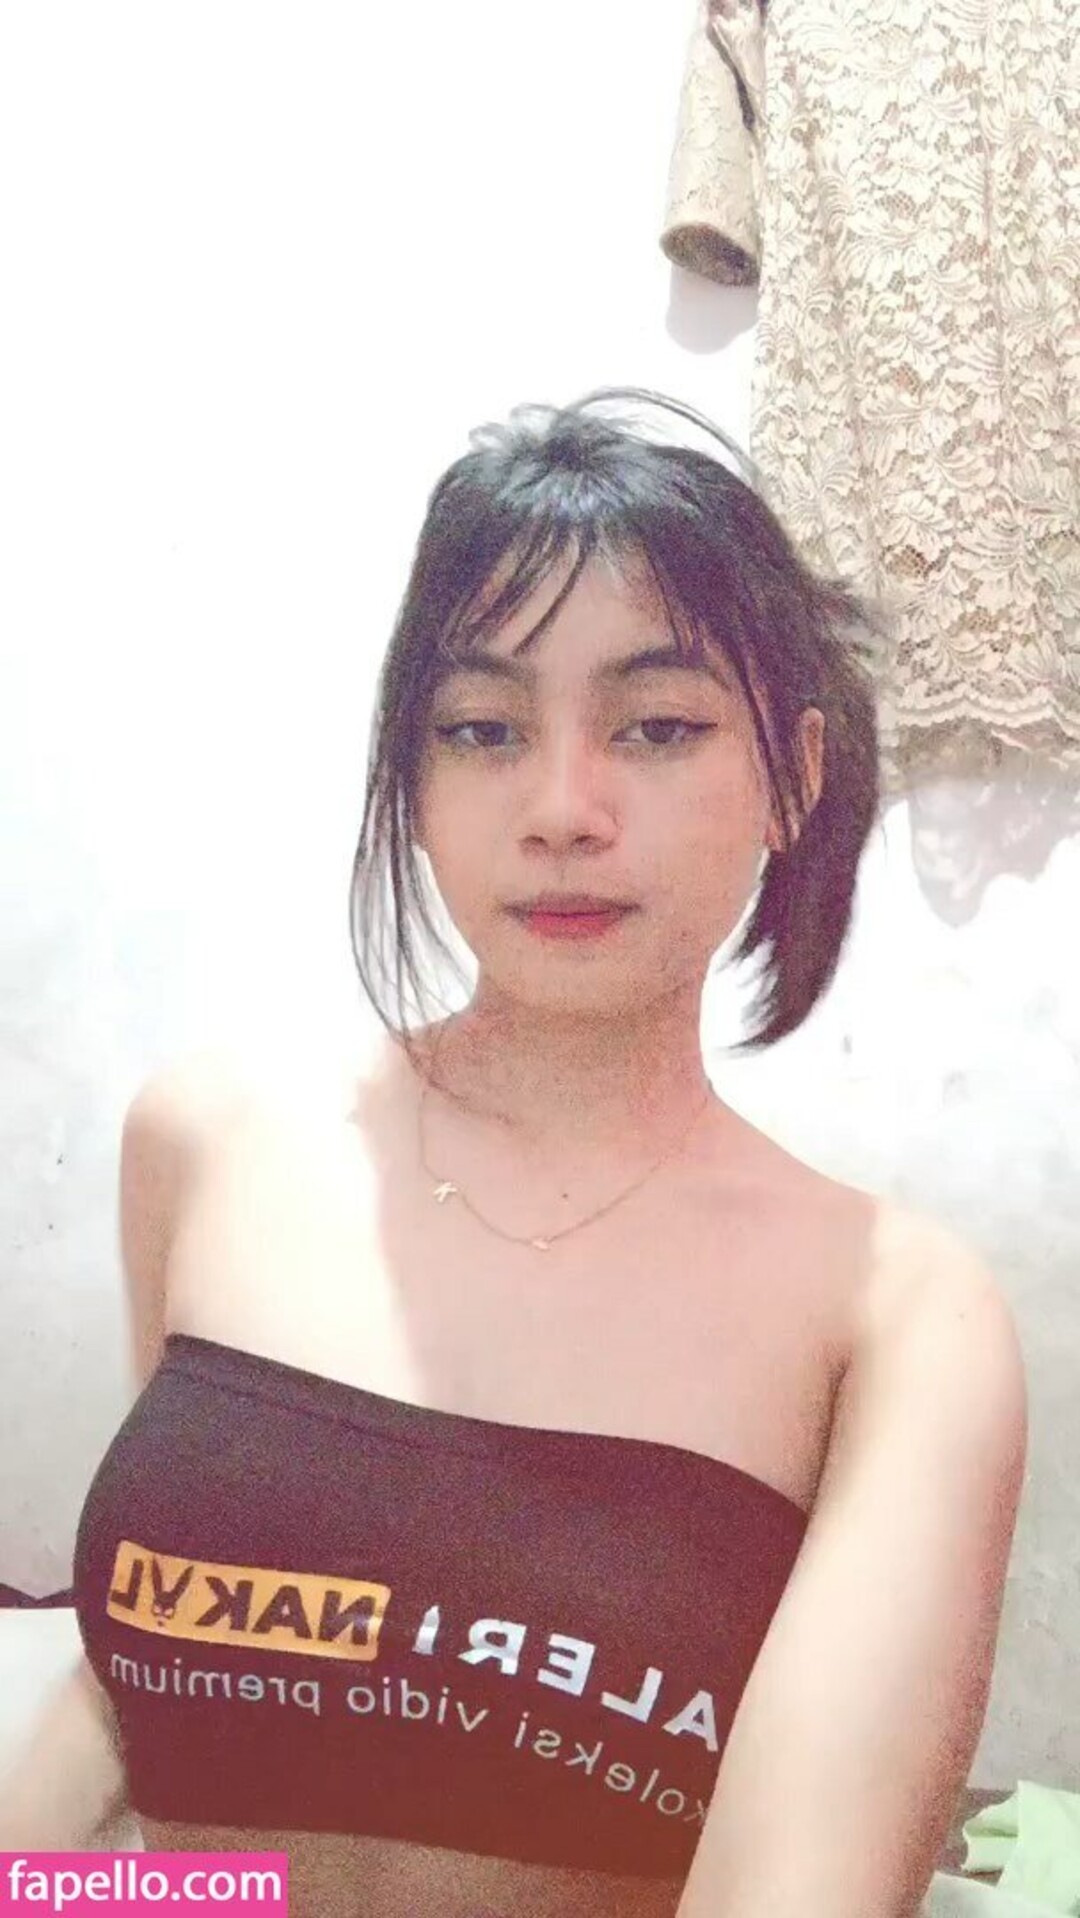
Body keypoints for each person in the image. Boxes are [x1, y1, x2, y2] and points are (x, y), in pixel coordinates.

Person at [2, 389, 1027, 1918]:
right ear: (412, 783)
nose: (561, 809)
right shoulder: (208, 1143)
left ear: (793, 776)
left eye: (658, 726)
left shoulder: (897, 1312)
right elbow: (135, 1677)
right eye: (482, 729)